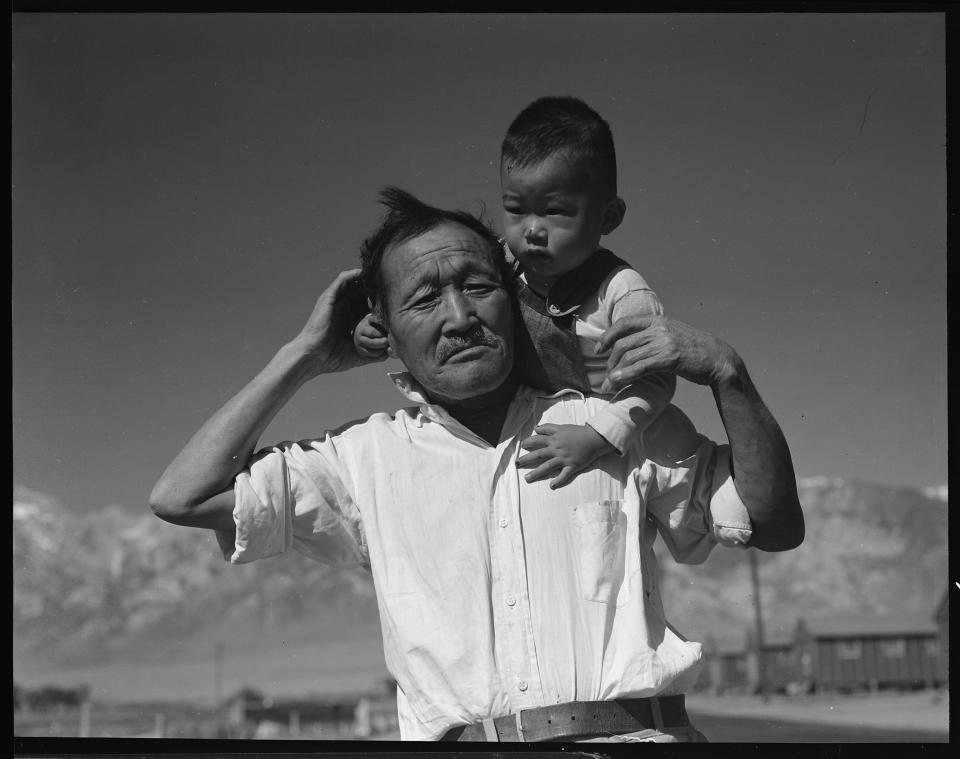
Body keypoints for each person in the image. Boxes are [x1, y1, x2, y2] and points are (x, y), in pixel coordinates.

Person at [150, 188, 804, 742]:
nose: (459, 317)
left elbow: (771, 523)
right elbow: (181, 495)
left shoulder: (611, 423)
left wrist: (727, 373)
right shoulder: (361, 461)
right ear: (385, 328)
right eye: (425, 298)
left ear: (513, 299)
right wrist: (307, 353)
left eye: (477, 285)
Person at [354, 96, 675, 490]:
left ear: (608, 217)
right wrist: (374, 331)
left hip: (617, 429)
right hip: (528, 424)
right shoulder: (505, 263)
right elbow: (440, 314)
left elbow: (655, 382)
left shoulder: (622, 291)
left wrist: (597, 436)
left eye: (554, 212)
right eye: (516, 210)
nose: (532, 230)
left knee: (728, 511)